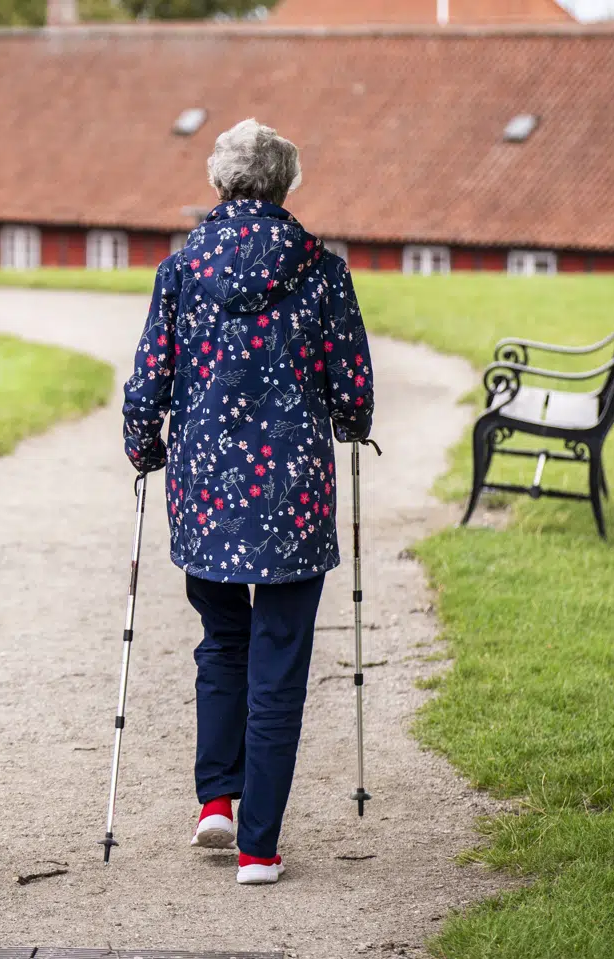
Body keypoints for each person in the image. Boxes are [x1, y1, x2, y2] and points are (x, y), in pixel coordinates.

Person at [122, 119, 375, 885]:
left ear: (219, 183)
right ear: (286, 185)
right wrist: (351, 424)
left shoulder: (181, 269)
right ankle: (258, 848)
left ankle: (215, 801)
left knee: (222, 641)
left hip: (207, 493)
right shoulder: (321, 270)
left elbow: (147, 383)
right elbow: (353, 383)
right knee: (279, 662)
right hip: (294, 491)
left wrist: (145, 447)